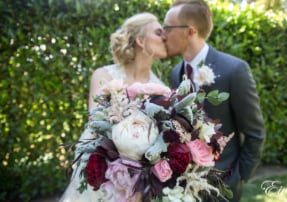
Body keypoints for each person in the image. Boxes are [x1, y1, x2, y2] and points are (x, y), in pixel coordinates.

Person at [164, 0, 266, 201]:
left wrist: (238, 177)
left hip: (221, 187)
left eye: (168, 27)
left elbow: (255, 133)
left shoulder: (234, 70)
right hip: (181, 188)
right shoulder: (175, 73)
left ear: (190, 31)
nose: (163, 34)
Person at [59, 12, 167, 202]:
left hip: (139, 184)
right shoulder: (104, 76)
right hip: (101, 174)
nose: (165, 37)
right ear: (141, 40)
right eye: (158, 32)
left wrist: (139, 179)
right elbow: (95, 125)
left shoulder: (162, 90)